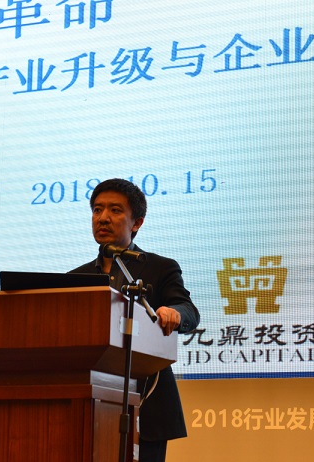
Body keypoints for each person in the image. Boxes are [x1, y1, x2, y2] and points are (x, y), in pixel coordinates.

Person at [70, 178, 200, 462]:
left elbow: (188, 310)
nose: (103, 217)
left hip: (147, 401)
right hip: (86, 402)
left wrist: (175, 313)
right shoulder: (75, 279)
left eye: (115, 210)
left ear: (137, 223)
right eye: (97, 210)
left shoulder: (160, 267)